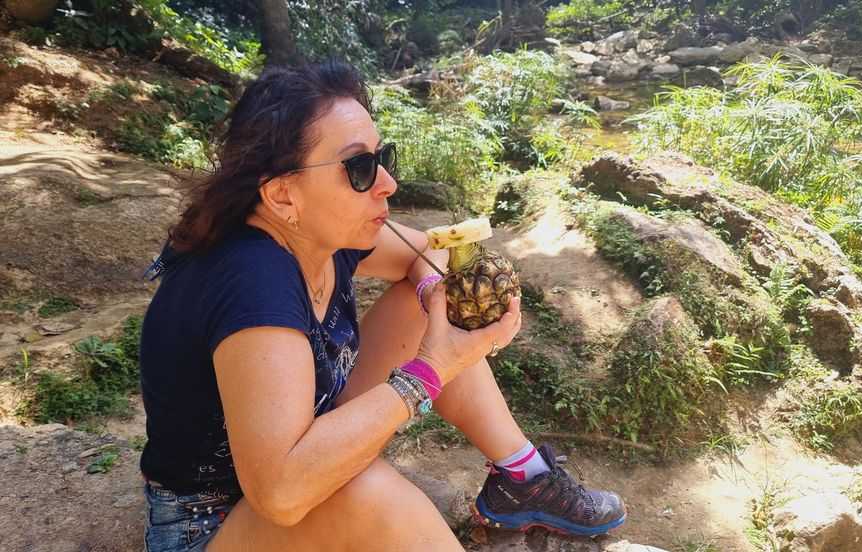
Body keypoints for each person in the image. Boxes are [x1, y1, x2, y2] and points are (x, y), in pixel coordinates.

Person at [139, 60, 626, 552]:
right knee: (369, 494)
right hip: (212, 523)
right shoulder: (253, 281)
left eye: (382, 157)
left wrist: (435, 295)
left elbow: (426, 252)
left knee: (424, 306)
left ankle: (524, 477)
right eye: (359, 168)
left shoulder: (317, 231)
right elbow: (281, 494)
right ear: (283, 194)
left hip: (287, 461)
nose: (388, 182)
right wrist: (430, 371)